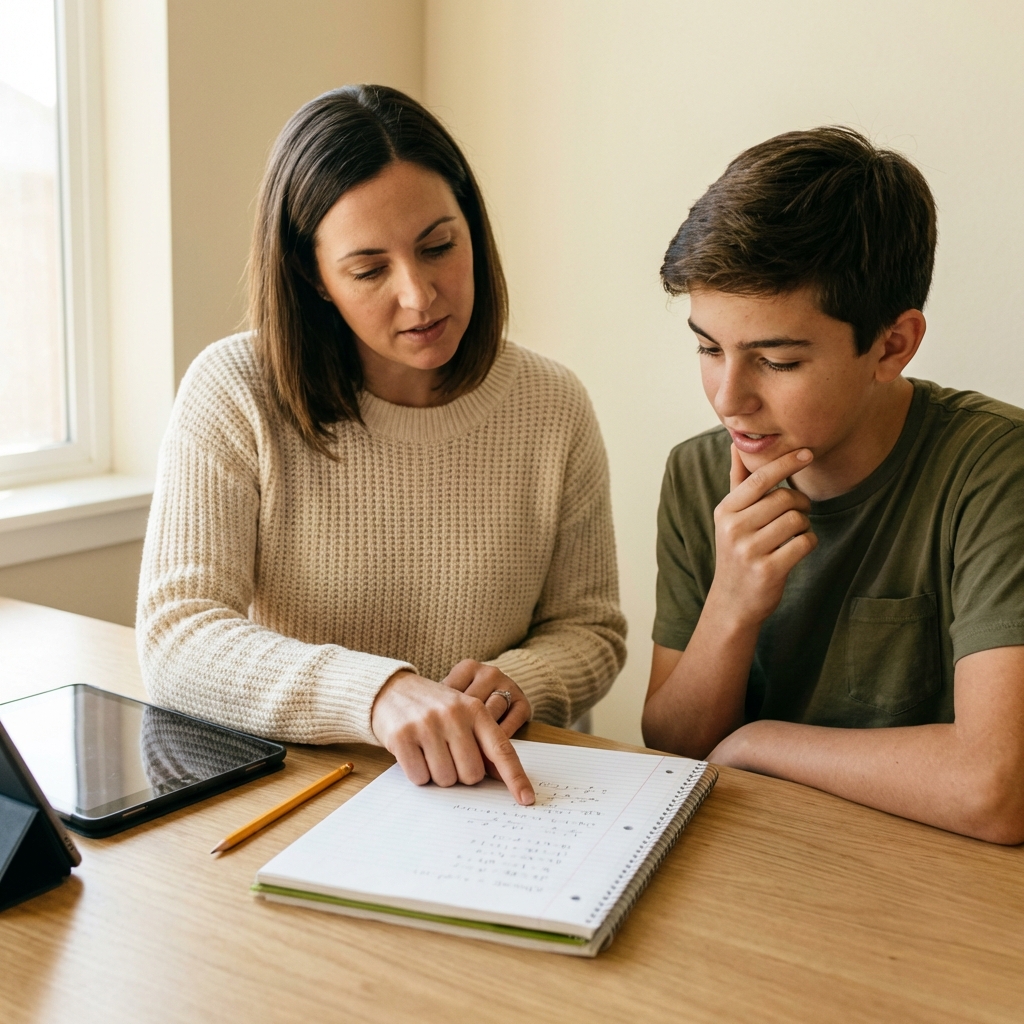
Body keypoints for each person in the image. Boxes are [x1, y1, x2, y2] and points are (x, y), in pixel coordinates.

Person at [136, 85, 626, 806]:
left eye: (439, 246)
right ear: (315, 278)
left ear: (473, 228)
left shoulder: (553, 405)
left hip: (495, 795)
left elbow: (591, 630)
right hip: (308, 791)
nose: (420, 296)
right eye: (369, 270)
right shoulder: (234, 389)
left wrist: (523, 678)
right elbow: (178, 637)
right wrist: (379, 693)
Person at [643, 126, 1024, 843]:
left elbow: (997, 788)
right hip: (757, 869)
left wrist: (759, 742)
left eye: (777, 361)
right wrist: (731, 606)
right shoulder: (699, 473)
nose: (729, 398)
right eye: (707, 346)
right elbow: (670, 748)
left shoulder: (996, 473)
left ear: (892, 345)